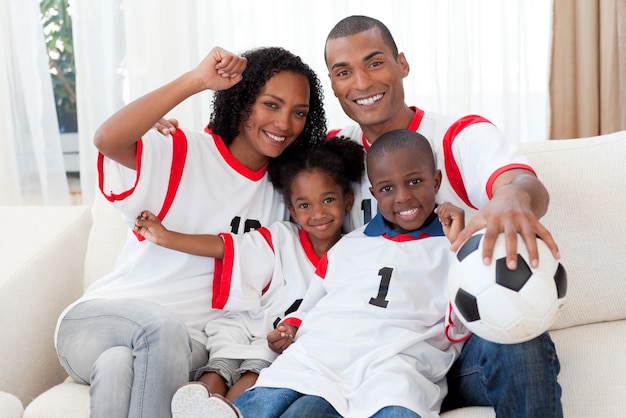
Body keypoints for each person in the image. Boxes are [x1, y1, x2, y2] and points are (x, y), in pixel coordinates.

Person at [53, 46, 327, 418]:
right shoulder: (183, 152)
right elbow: (108, 140)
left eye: (299, 113)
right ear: (243, 101)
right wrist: (196, 80)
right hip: (102, 320)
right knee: (160, 328)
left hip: (192, 346)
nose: (285, 124)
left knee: (119, 365)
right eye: (271, 104)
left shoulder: (291, 194)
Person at [323, 15, 563, 418]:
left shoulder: (457, 136)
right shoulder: (334, 153)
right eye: (344, 72)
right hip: (378, 358)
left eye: (375, 62)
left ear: (403, 63)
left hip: (462, 352)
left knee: (521, 339)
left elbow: (520, 180)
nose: (361, 83)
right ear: (332, 84)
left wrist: (513, 196)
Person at [200, 129, 467, 418]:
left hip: (395, 365)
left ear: (436, 180)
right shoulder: (348, 245)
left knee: (397, 405)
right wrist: (290, 327)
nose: (403, 197)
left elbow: (459, 326)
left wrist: (457, 246)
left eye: (415, 182)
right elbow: (313, 304)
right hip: (323, 354)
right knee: (270, 398)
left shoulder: (455, 250)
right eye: (387, 189)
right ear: (374, 193)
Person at [131, 137, 364, 409]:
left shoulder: (353, 254)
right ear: (291, 210)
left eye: (328, 200)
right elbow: (225, 247)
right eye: (305, 205)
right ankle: (197, 404)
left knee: (260, 367)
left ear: (347, 200)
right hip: (243, 325)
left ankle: (226, 411)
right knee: (218, 367)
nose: (318, 213)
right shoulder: (281, 238)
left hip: (278, 342)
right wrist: (166, 237)